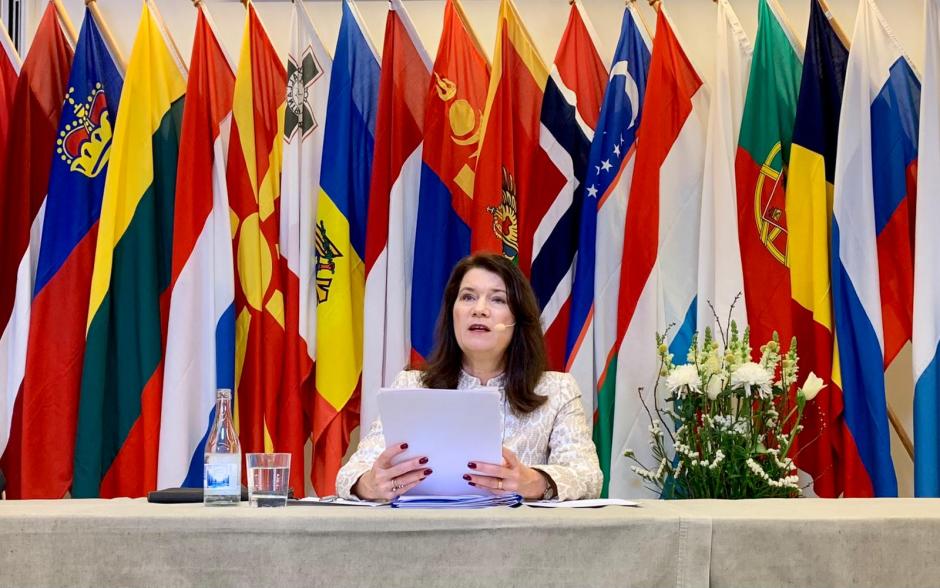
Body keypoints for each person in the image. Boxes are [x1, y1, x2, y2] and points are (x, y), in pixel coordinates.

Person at [336, 253, 603, 501]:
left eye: (497, 299)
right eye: (467, 297)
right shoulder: (411, 386)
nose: (479, 309)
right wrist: (369, 484)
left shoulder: (557, 390)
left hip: (519, 534)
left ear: (518, 319)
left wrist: (535, 482)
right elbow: (349, 474)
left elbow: (589, 476)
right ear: (453, 314)